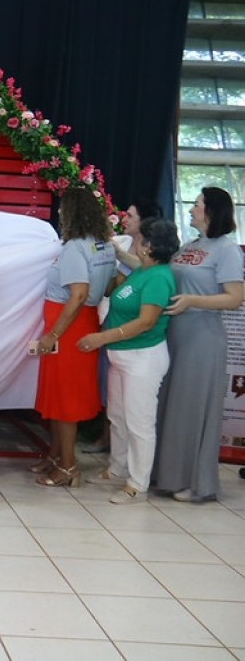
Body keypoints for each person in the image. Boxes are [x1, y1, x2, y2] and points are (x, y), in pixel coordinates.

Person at [78, 218, 179, 503]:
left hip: (142, 358)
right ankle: (118, 468)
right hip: (121, 356)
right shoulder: (143, 269)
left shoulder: (159, 277)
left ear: (149, 246)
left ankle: (137, 484)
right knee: (118, 417)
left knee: (139, 423)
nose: (134, 241)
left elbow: (146, 322)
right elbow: (124, 271)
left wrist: (103, 337)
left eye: (139, 239)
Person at [154, 187, 245, 502]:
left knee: (192, 408)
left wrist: (194, 300)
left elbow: (234, 298)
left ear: (212, 211)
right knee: (172, 406)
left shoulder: (226, 250)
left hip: (202, 337)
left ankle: (195, 482)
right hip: (175, 333)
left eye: (197, 204)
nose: (192, 209)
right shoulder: (192, 245)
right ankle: (168, 474)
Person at [31, 187, 116, 488]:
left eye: (63, 209)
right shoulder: (103, 246)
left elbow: (79, 295)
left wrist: (53, 335)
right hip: (83, 322)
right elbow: (109, 287)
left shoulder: (75, 247)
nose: (59, 213)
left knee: (65, 398)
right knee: (59, 394)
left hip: (68, 328)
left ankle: (68, 467)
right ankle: (55, 456)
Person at [82, 196, 163, 455]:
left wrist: (116, 253)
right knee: (111, 390)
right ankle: (111, 444)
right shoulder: (126, 243)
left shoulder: (155, 262)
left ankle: (133, 464)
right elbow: (114, 285)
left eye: (130, 215)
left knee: (137, 409)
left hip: (136, 337)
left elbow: (141, 275)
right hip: (114, 321)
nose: (124, 219)